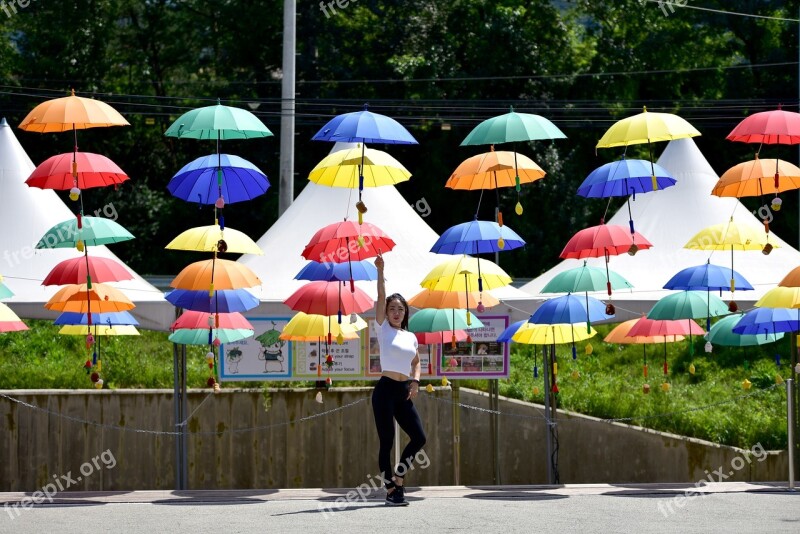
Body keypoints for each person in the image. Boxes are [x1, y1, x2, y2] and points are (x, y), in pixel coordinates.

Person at [372, 251, 426, 506]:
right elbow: (381, 296)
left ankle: (399, 478)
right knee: (387, 442)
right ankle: (391, 489)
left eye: (400, 309)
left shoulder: (410, 336)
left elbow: (416, 363)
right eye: (392, 308)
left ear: (405, 313)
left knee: (419, 438)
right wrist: (380, 271)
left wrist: (416, 382)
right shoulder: (382, 327)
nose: (395, 312)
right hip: (384, 390)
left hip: (403, 390)